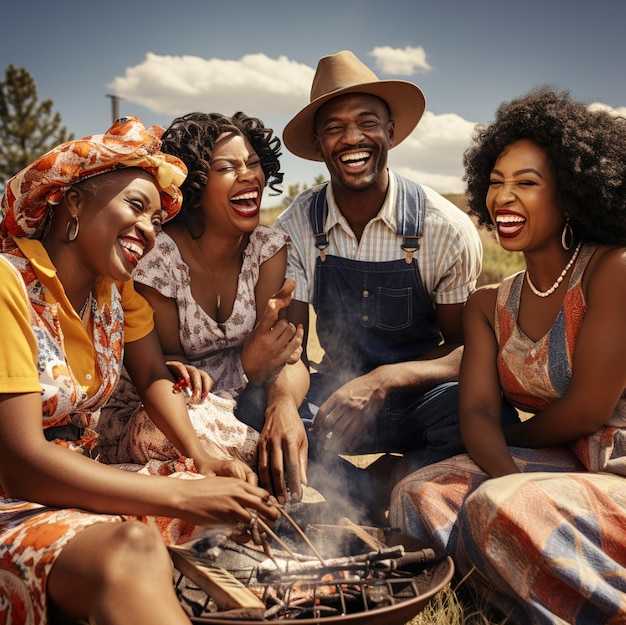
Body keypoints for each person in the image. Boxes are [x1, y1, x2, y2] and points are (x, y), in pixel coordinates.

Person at [0, 116, 279, 625]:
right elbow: (20, 462)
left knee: (236, 525)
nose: (149, 231)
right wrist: (179, 494)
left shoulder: (114, 291)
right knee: (134, 543)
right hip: (13, 498)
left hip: (80, 479)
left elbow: (152, 374)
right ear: (74, 202)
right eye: (136, 206)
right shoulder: (9, 285)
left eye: (156, 218)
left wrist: (202, 461)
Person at [390, 88, 626, 623]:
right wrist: (500, 468)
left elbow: (589, 410)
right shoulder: (486, 305)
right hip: (563, 464)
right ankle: (499, 606)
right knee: (419, 494)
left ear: (571, 195)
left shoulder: (612, 270)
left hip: (617, 467)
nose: (503, 197)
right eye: (495, 183)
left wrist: (508, 451)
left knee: (503, 504)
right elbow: (473, 411)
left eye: (526, 183)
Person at [253, 49, 492, 524]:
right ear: (320, 145)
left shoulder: (444, 228)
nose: (352, 138)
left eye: (367, 122)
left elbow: (468, 350)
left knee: (486, 412)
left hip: (416, 398)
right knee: (252, 405)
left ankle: (394, 479)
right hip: (332, 399)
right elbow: (290, 352)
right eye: (335, 128)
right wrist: (282, 404)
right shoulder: (296, 227)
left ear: (391, 133)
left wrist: (383, 380)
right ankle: (361, 494)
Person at [97, 111, 310, 503]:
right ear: (195, 184)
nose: (249, 175)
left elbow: (290, 357)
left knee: (292, 428)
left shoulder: (269, 251)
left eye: (254, 164)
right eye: (227, 167)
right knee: (211, 438)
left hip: (243, 397)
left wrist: (281, 403)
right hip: (167, 408)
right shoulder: (155, 257)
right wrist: (249, 362)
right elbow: (163, 370)